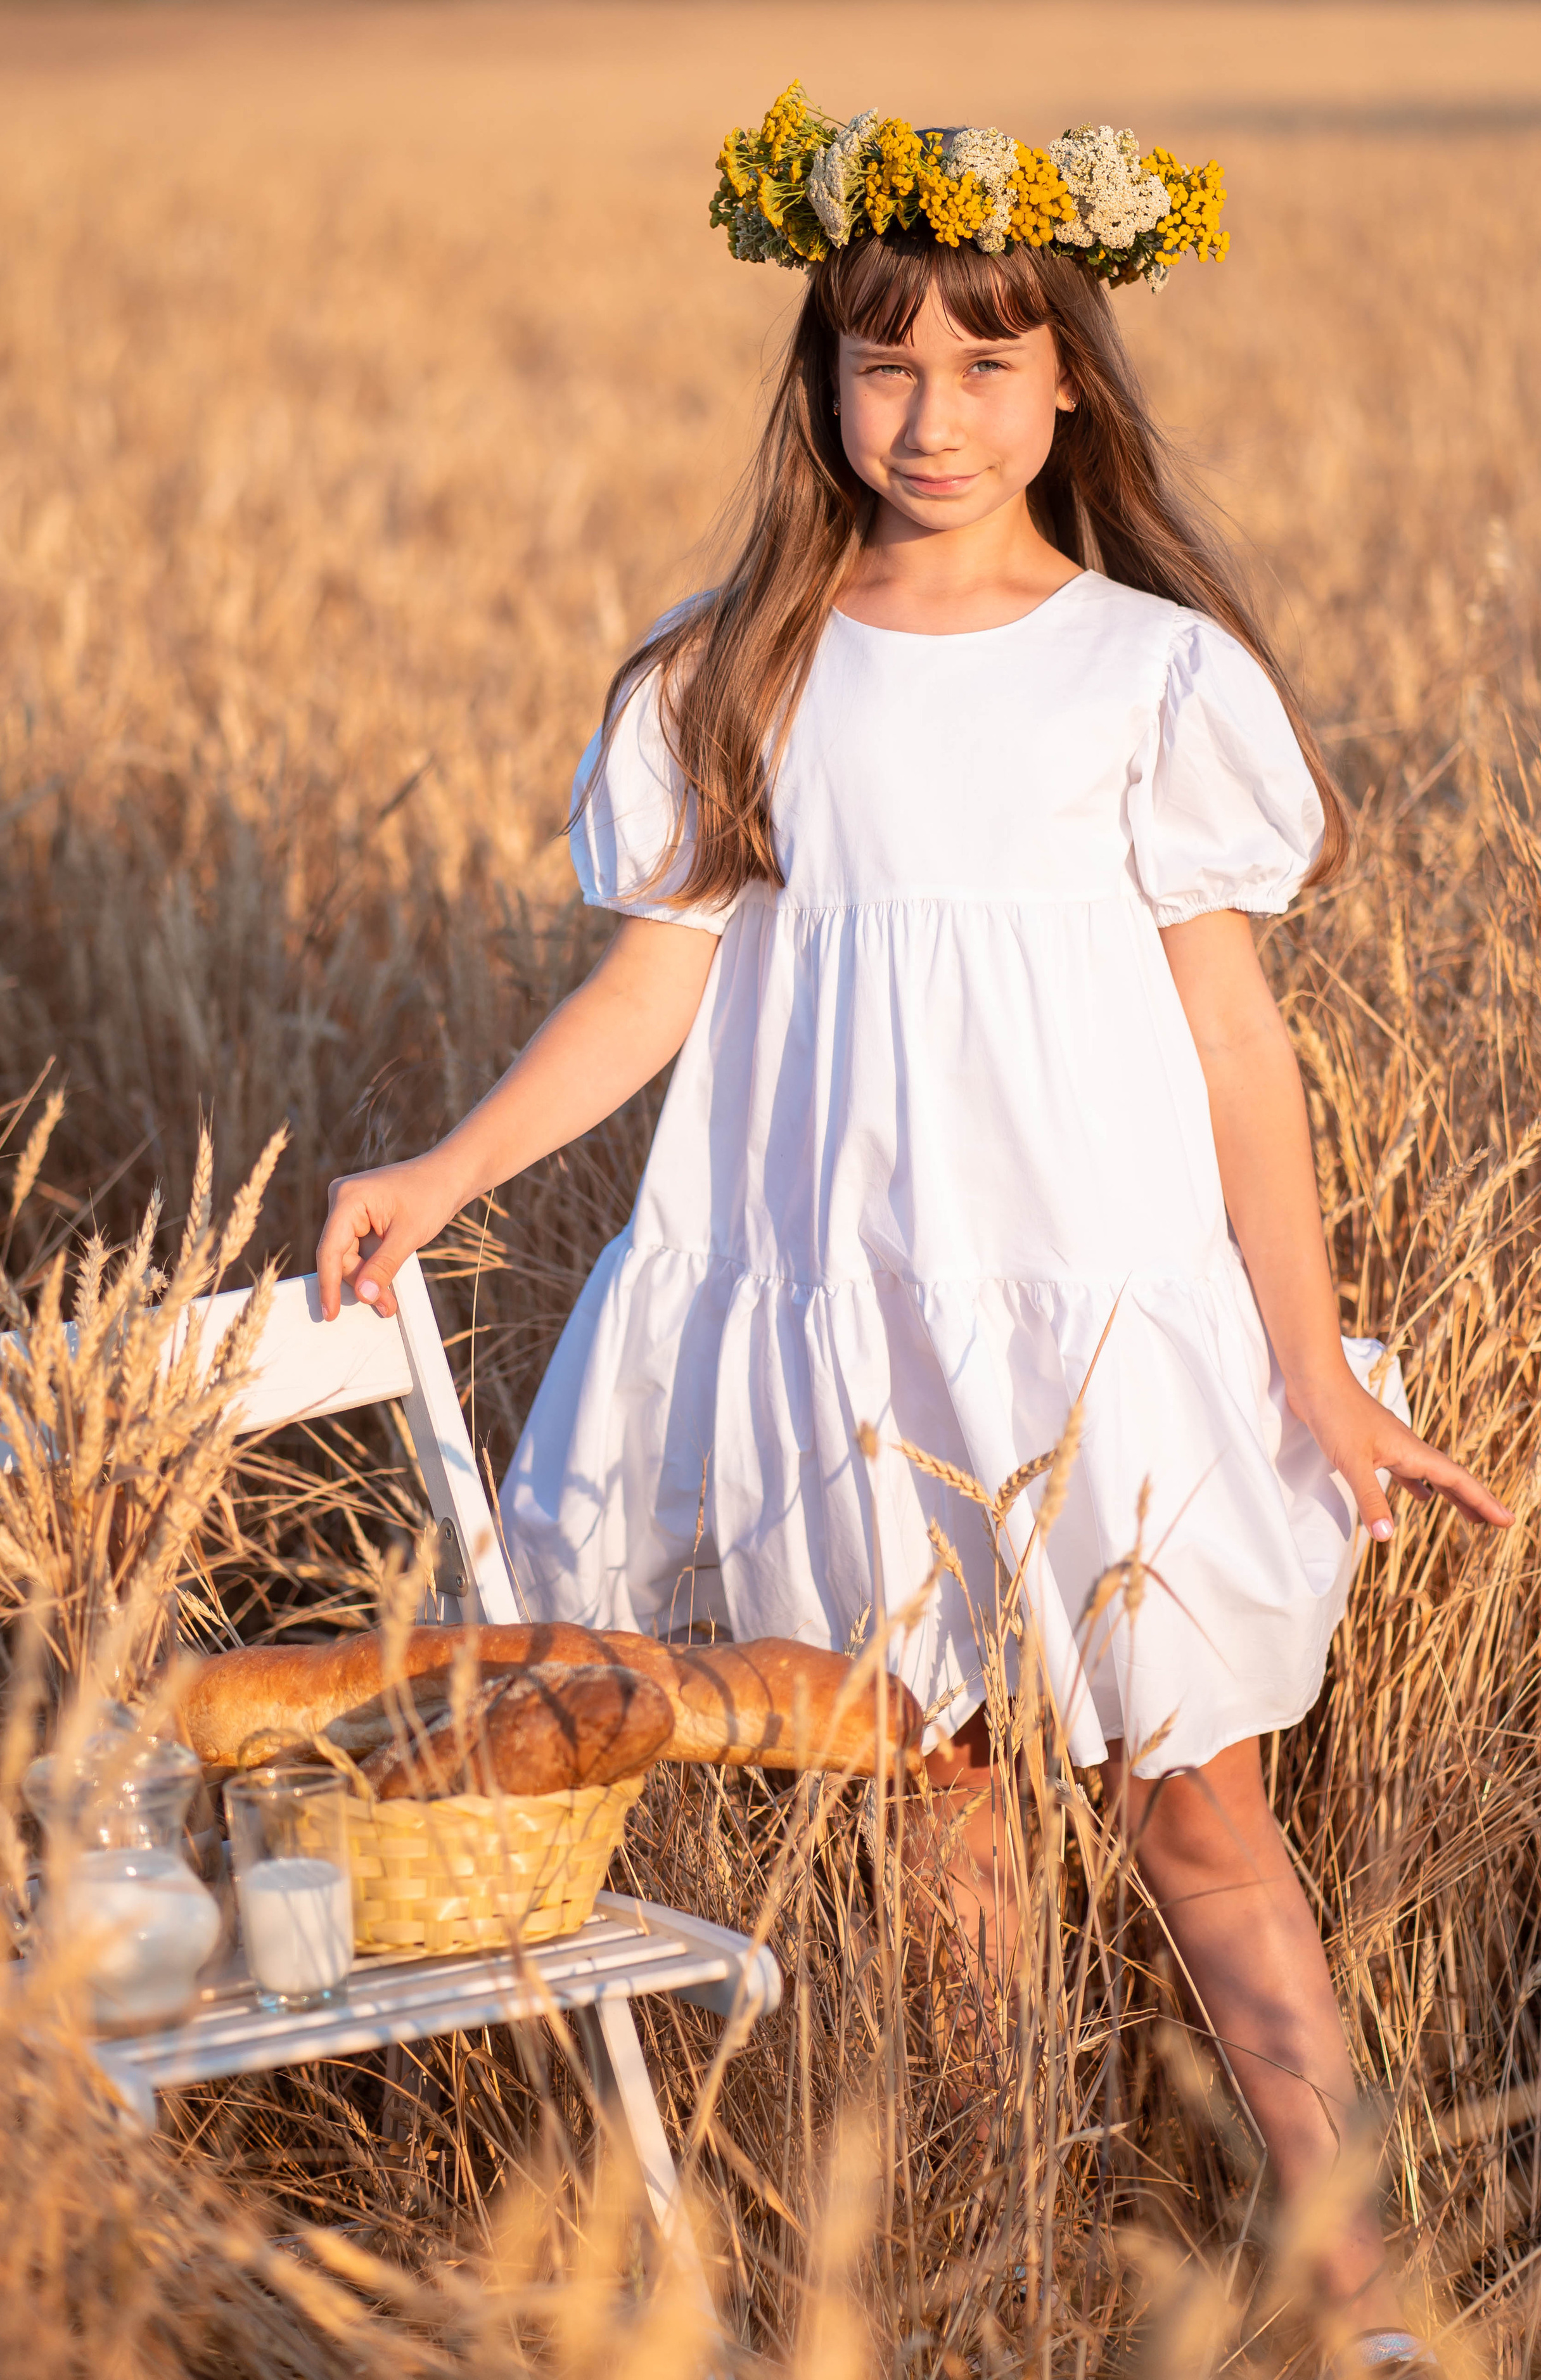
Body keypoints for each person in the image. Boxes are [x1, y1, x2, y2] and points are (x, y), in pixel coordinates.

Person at [316, 93, 1511, 2367]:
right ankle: (996, 2267)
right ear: (819, 385)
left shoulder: (1149, 672)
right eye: (884, 364)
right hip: (854, 1314)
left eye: (985, 362)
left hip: (1102, 1307)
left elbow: (1239, 1050)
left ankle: (1373, 2296)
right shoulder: (733, 670)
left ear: (1070, 379)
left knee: (1201, 1822)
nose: (933, 413)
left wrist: (1317, 1358)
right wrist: (444, 1172)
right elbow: (656, 985)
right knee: (943, 1814)